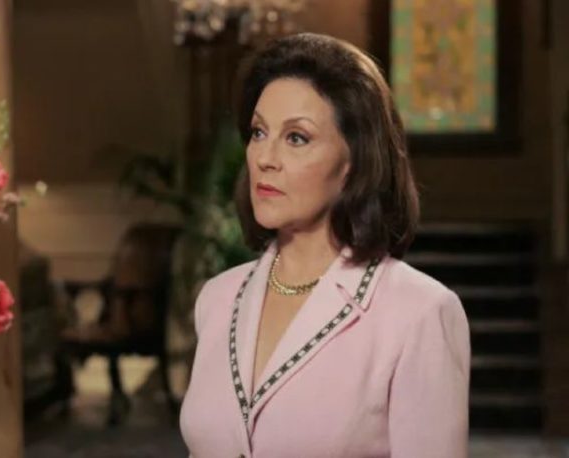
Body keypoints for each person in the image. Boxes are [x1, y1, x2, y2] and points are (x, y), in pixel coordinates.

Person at [179, 33, 470, 458]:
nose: (264, 158)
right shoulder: (218, 299)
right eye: (259, 132)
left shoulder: (419, 313)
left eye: (296, 137)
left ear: (354, 161)